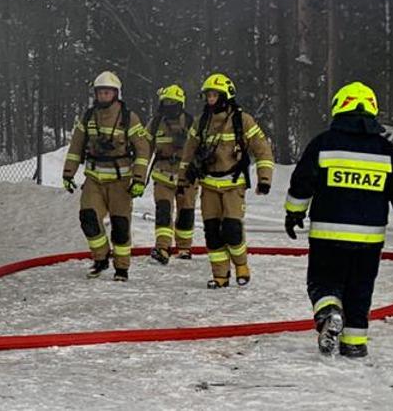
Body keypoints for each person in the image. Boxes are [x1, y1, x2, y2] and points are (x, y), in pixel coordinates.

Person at [283, 82, 393, 358]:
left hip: (328, 234)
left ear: (339, 107)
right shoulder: (386, 150)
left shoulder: (323, 144)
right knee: (360, 289)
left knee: (323, 281)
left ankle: (328, 312)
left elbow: (302, 182)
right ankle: (355, 343)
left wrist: (294, 212)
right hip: (369, 239)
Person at [178, 72, 275, 289]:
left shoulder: (243, 121)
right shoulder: (201, 122)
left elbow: (263, 150)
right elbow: (188, 152)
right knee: (212, 233)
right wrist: (183, 179)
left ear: (225, 96)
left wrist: (264, 179)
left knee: (232, 229)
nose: (210, 99)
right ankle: (220, 275)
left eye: (214, 95)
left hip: (233, 184)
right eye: (208, 96)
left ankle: (241, 264)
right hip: (209, 185)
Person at [61, 71, 153, 281]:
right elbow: (76, 147)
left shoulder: (129, 118)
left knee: (120, 225)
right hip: (94, 180)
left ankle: (122, 267)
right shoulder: (88, 117)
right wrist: (68, 173)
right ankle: (101, 258)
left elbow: (142, 150)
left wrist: (139, 179)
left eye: (108, 92)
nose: (104, 96)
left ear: (116, 94)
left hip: (121, 183)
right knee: (88, 218)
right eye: (100, 92)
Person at [147, 85, 198, 264]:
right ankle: (162, 247)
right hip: (162, 174)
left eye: (172, 103)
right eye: (166, 102)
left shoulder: (192, 122)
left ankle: (184, 247)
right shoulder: (155, 123)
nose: (169, 106)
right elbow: (145, 147)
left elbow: (201, 149)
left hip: (186, 177)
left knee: (186, 211)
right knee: (163, 210)